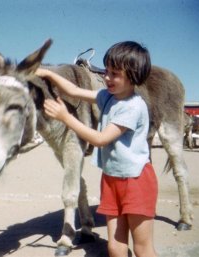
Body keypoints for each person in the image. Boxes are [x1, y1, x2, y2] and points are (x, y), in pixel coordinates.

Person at [36, 41, 157, 257]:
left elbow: (100, 139)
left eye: (114, 73)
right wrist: (47, 73)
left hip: (136, 181)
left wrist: (66, 118)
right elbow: (73, 90)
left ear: (134, 76)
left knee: (142, 247)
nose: (107, 77)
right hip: (111, 180)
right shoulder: (108, 96)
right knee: (115, 247)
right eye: (107, 71)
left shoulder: (132, 107)